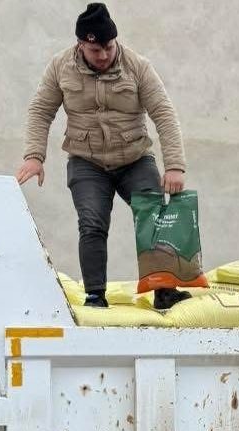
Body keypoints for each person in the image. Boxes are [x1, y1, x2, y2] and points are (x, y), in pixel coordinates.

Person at [17, 2, 187, 308]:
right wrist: (34, 156)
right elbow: (41, 111)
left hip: (134, 159)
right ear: (82, 44)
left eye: (109, 47)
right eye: (96, 50)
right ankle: (95, 295)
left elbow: (164, 113)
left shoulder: (137, 66)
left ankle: (164, 290)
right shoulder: (60, 67)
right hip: (87, 162)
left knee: (154, 217)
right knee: (92, 224)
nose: (104, 55)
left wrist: (174, 166)